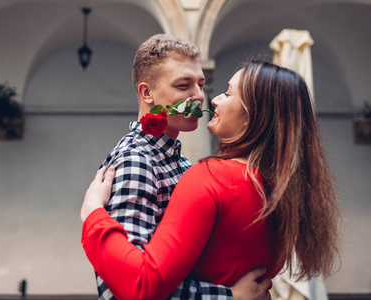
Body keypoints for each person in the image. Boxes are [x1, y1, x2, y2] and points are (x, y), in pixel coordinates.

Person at [81, 59, 342, 300]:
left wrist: (93, 214)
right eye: (184, 85)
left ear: (252, 115)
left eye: (228, 93)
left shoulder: (212, 177)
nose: (211, 100)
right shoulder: (283, 188)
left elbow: (141, 284)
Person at [84, 34, 272, 300]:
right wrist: (228, 296)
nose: (199, 97)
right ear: (146, 93)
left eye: (201, 84)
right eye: (183, 86)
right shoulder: (136, 161)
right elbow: (119, 289)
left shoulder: (180, 162)